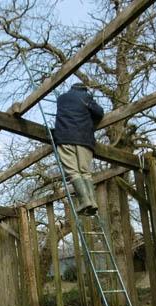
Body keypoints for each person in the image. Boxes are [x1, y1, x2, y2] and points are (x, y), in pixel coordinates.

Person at [53, 83, 104, 216]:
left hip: (65, 137)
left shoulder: (61, 98)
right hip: (84, 140)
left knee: (73, 172)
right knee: (85, 172)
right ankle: (92, 201)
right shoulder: (86, 97)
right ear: (84, 90)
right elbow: (100, 113)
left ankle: (84, 201)